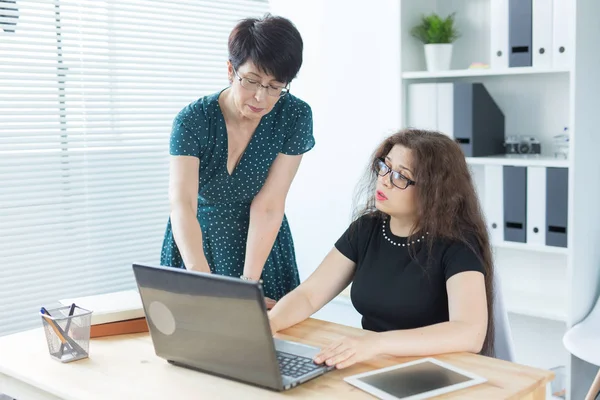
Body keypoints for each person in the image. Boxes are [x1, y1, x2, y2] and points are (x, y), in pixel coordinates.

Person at [268, 129, 495, 369]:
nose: (384, 179)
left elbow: (470, 333)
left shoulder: (458, 245)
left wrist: (377, 343)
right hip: (376, 364)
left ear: (435, 192)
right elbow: (309, 295)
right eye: (385, 167)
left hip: (436, 369)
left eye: (401, 176)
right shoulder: (367, 228)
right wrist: (270, 323)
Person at [160, 14, 314, 307]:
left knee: (266, 338)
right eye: (251, 81)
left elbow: (269, 204)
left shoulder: (294, 116)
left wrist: (248, 284)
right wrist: (198, 274)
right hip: (199, 242)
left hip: (261, 245)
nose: (260, 97)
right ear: (231, 70)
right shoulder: (193, 120)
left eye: (274, 86)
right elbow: (183, 203)